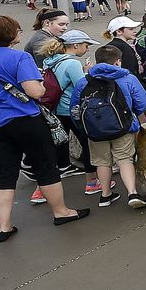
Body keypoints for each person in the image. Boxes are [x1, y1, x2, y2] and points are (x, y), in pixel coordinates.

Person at [0, 15, 88, 241]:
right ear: (11, 34)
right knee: (45, 165)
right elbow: (35, 92)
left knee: (3, 172)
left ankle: (3, 226)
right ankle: (61, 212)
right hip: (25, 119)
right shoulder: (20, 58)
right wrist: (43, 85)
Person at [71, 43, 146, 208]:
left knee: (102, 161)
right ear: (117, 61)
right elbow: (142, 103)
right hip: (124, 127)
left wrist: (83, 126)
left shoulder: (84, 81)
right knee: (125, 159)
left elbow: (74, 108)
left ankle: (105, 195)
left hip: (95, 129)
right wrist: (131, 115)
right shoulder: (127, 78)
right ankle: (132, 193)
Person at [42, 30, 102, 193]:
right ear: (75, 45)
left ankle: (42, 188)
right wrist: (88, 73)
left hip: (56, 110)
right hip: (72, 110)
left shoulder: (50, 60)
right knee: (87, 144)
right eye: (86, 45)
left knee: (56, 145)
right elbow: (81, 86)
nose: (87, 48)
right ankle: (92, 182)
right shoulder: (72, 63)